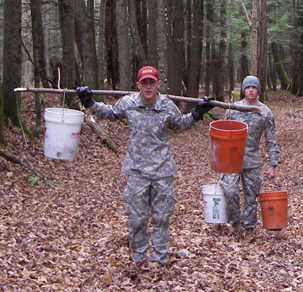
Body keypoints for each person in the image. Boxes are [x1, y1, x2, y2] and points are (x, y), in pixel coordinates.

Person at [76, 66, 213, 267]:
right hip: (137, 172)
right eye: (144, 83)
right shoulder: (129, 103)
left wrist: (196, 113)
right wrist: (89, 102)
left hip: (162, 172)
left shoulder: (167, 106)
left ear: (158, 84)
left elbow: (179, 125)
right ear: (138, 85)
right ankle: (139, 258)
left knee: (161, 218)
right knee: (137, 218)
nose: (148, 86)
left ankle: (159, 259)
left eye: (152, 82)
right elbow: (110, 113)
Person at [219, 75, 280, 238]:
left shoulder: (265, 112)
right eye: (248, 87)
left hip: (252, 161)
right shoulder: (233, 109)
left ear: (258, 90)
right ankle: (236, 223)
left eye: (254, 87)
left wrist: (272, 164)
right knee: (230, 191)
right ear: (244, 90)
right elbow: (222, 135)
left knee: (251, 196)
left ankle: (250, 229)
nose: (251, 90)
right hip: (231, 160)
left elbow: (271, 140)